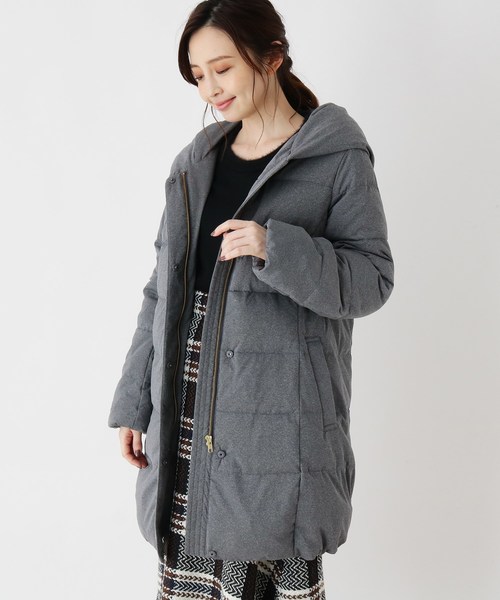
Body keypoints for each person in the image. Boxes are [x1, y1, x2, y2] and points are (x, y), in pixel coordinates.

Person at [108, 0, 395, 598]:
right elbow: (161, 289)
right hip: (189, 415)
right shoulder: (196, 164)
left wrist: (275, 248)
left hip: (279, 434)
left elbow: (372, 280)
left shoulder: (336, 157)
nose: (210, 89)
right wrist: (136, 401)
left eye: (223, 69)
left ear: (271, 58)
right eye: (198, 75)